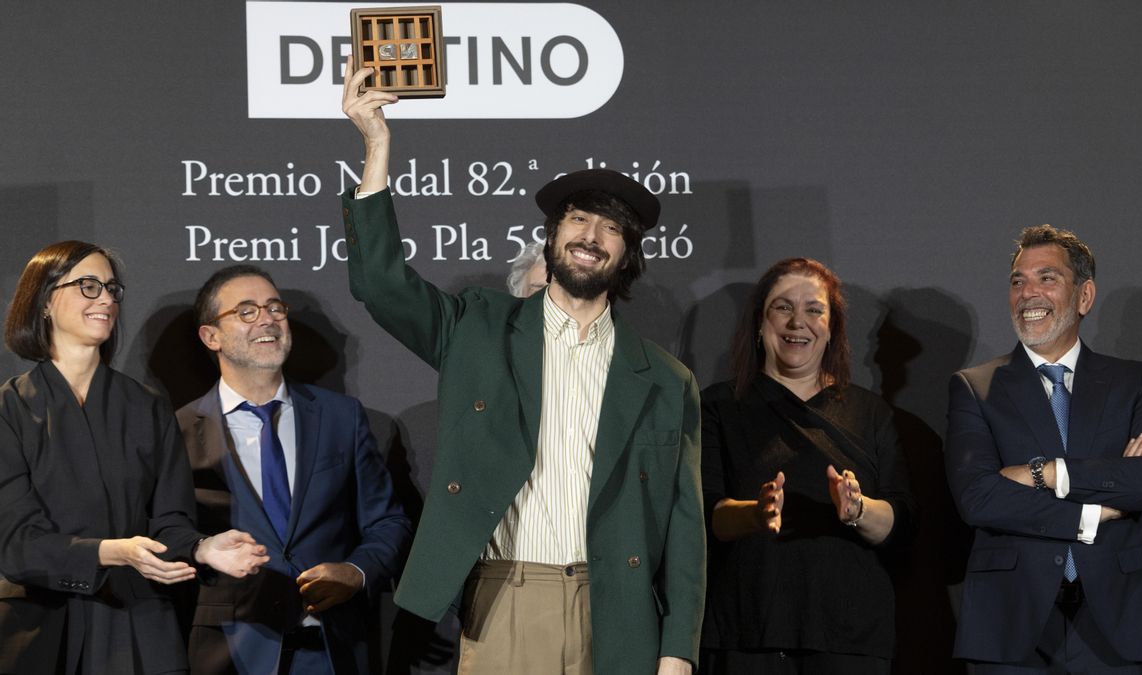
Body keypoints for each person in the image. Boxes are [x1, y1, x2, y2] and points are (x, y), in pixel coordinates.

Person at [339, 56, 705, 674]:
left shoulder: (667, 379)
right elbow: (381, 284)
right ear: (552, 235)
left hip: (621, 611)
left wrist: (678, 651)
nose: (591, 234)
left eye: (611, 227)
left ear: (628, 255)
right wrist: (376, 144)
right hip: (509, 597)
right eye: (578, 218)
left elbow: (683, 524)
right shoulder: (478, 328)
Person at [0, 241, 268, 675]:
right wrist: (112, 551)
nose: (106, 298)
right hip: (38, 630)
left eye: (111, 288)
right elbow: (16, 545)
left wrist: (202, 548)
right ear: (45, 300)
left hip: (137, 629)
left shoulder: (146, 406)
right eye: (88, 286)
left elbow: (170, 522)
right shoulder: (8, 410)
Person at [945, 225, 1142, 672]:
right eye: (1018, 281)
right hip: (1013, 619)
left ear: (1085, 296)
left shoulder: (1132, 381)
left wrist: (1048, 473)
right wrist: (1098, 509)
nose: (1027, 293)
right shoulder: (975, 387)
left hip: (1115, 617)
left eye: (1046, 278)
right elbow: (979, 497)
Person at [177, 264, 413, 674]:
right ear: (210, 335)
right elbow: (165, 532)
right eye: (246, 311)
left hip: (331, 647)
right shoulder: (177, 430)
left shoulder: (341, 416)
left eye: (275, 308)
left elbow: (388, 522)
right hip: (228, 651)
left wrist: (357, 572)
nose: (267, 319)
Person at [698, 258, 916, 674]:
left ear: (831, 327)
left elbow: (903, 520)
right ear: (760, 324)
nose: (799, 321)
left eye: (814, 309)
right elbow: (706, 516)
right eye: (783, 307)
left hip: (850, 640)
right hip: (746, 634)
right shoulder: (717, 407)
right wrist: (756, 514)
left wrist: (857, 510)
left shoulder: (871, 413)